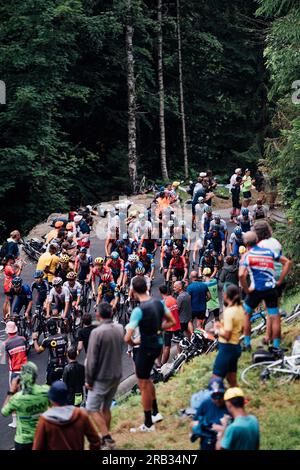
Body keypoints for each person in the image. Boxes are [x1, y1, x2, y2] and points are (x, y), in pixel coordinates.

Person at [125, 277, 175, 432]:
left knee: (143, 383)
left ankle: (148, 423)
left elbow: (127, 337)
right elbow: (171, 321)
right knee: (147, 379)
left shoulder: (138, 311)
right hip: (157, 344)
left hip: (145, 347)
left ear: (133, 290)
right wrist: (158, 329)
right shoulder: (158, 303)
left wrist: (133, 343)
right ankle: (155, 412)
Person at [239, 231, 292, 351]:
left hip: (256, 289)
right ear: (257, 240)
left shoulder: (247, 255)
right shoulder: (268, 252)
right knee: (274, 316)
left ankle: (247, 343)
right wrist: (279, 281)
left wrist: (247, 290)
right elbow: (287, 262)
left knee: (246, 314)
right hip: (271, 288)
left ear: (246, 243)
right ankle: (276, 346)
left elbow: (241, 274)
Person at [85, 303, 124, 449]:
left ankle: (107, 438)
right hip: (117, 373)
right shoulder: (120, 328)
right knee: (105, 408)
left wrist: (89, 380)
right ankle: (104, 437)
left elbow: (92, 359)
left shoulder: (97, 332)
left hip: (101, 376)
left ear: (98, 315)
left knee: (91, 408)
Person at [253, 220, 292, 344]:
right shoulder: (275, 242)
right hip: (279, 278)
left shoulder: (262, 245)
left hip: (269, 280)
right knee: (272, 309)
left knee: (271, 312)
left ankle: (274, 339)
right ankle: (268, 336)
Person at [32, 381, 100, 451]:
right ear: (67, 396)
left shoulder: (45, 420)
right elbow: (95, 441)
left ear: (51, 399)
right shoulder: (80, 414)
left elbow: (37, 447)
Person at [1, 362, 49, 450]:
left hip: (23, 441)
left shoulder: (18, 398)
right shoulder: (45, 392)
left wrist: (12, 390)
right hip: (41, 437)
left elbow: (4, 411)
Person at [212, 285, 244, 387]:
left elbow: (227, 335)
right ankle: (238, 400)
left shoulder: (229, 312)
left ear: (226, 295)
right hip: (236, 347)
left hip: (227, 348)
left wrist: (217, 330)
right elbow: (240, 328)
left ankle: (218, 401)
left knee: (215, 379)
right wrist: (221, 325)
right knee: (232, 380)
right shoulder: (240, 308)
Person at [191, 378, 228, 450]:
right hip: (207, 443)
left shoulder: (229, 405)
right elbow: (194, 422)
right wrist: (198, 427)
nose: (217, 399)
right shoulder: (205, 404)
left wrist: (221, 429)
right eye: (214, 396)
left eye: (220, 395)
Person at [32, 318, 68, 384]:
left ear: (47, 329)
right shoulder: (64, 337)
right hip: (64, 365)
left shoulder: (47, 340)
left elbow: (38, 350)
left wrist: (34, 339)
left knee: (49, 386)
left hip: (53, 367)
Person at [158, 285, 181, 365]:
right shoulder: (174, 299)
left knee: (167, 346)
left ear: (160, 292)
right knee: (178, 342)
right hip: (177, 324)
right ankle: (181, 357)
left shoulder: (162, 302)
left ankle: (163, 364)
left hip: (168, 327)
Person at [2, 255, 23, 320]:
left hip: (7, 285)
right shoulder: (8, 267)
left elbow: (14, 274)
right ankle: (6, 317)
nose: (14, 261)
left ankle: (5, 317)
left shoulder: (8, 267)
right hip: (9, 286)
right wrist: (20, 268)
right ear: (10, 260)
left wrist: (17, 268)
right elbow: (17, 276)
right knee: (9, 302)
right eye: (13, 259)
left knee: (7, 301)